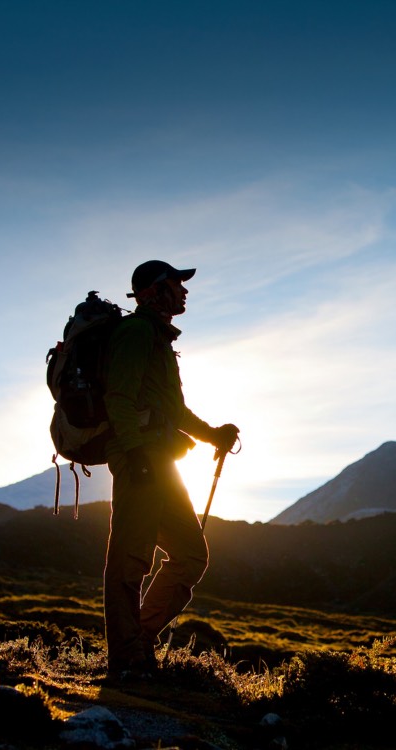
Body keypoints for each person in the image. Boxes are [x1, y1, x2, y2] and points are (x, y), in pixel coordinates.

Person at [101, 259, 239, 681]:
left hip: (160, 462)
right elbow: (118, 397)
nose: (183, 291)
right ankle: (127, 659)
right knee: (130, 559)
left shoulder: (158, 340)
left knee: (191, 554)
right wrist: (137, 454)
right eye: (175, 284)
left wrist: (213, 434)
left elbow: (173, 409)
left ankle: (138, 642)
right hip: (141, 461)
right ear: (152, 292)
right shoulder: (137, 333)